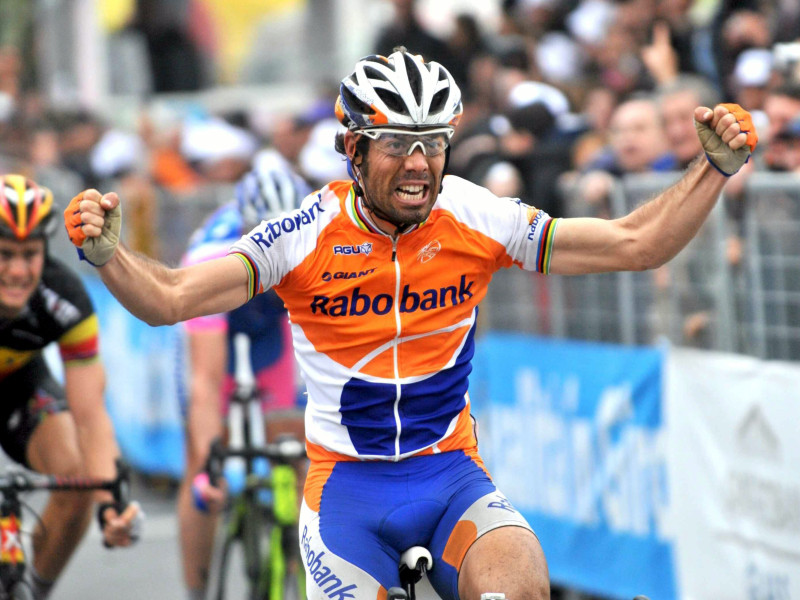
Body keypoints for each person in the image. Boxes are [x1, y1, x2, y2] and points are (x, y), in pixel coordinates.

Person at [63, 49, 757, 600]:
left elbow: (636, 244)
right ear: (353, 149)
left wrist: (712, 170)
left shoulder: (476, 213)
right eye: (398, 143)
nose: (420, 164)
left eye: (434, 142)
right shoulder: (303, 234)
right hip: (346, 499)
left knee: (522, 587)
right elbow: (173, 298)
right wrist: (108, 255)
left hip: (452, 478)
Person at [0, 174, 141, 599]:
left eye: (30, 254)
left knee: (76, 477)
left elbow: (90, 417)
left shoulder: (64, 298)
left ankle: (31, 592)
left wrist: (110, 504)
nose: (19, 271)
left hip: (18, 389)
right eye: (5, 254)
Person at [177, 158, 309, 600]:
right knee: (202, 460)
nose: (278, 256)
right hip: (223, 308)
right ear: (247, 233)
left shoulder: (317, 245)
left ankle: (308, 560)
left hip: (274, 328)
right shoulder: (210, 258)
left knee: (302, 441)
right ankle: (197, 589)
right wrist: (210, 463)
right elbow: (205, 384)